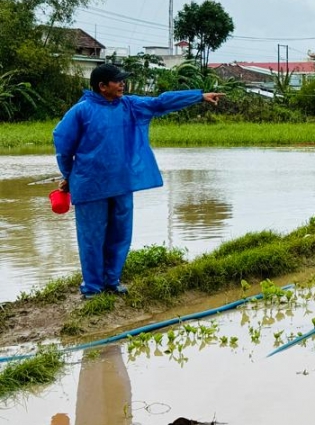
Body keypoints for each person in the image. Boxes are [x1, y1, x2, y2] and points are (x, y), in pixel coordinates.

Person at [53, 63, 222, 298]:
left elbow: (159, 102)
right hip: (90, 184)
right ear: (102, 86)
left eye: (123, 80)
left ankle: (112, 281)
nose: (123, 84)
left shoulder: (129, 105)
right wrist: (68, 174)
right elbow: (62, 145)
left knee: (120, 233)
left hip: (121, 183)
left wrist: (198, 96)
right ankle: (92, 288)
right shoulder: (81, 111)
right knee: (92, 237)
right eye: (117, 81)